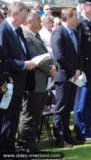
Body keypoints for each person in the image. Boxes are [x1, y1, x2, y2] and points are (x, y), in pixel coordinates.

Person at [17, 9, 57, 152]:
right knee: (28, 116)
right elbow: (35, 58)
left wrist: (55, 67)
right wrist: (50, 70)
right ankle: (24, 146)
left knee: (37, 115)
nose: (41, 22)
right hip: (33, 83)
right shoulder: (25, 35)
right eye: (38, 20)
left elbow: (47, 54)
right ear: (30, 21)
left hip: (42, 83)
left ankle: (32, 144)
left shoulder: (36, 35)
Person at [0, 2, 36, 153]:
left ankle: (10, 150)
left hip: (20, 83)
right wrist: (23, 65)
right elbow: (4, 59)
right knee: (6, 119)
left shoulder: (18, 30)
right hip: (8, 83)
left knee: (14, 118)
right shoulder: (3, 30)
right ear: (14, 15)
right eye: (23, 16)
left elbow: (23, 52)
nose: (25, 19)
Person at [51, 7, 83, 148]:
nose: (77, 19)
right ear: (68, 18)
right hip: (63, 77)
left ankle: (68, 136)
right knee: (60, 108)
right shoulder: (58, 33)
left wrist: (79, 70)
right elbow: (59, 56)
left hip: (74, 76)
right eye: (75, 16)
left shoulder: (74, 32)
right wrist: (73, 72)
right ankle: (59, 139)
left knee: (68, 108)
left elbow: (78, 54)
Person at [73, 0, 91, 141]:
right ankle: (81, 131)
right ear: (84, 7)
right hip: (85, 69)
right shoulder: (79, 24)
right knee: (82, 102)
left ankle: (88, 128)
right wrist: (80, 69)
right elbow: (79, 50)